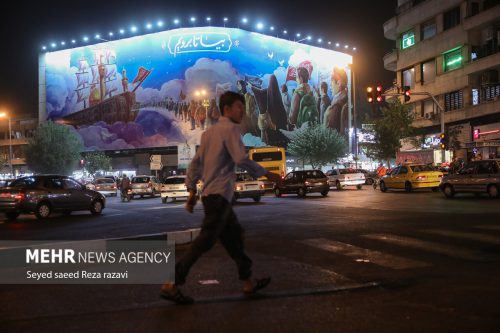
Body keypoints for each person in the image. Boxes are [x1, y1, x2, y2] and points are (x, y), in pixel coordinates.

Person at [160, 91, 282, 305]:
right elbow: (240, 158)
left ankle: (248, 282)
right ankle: (171, 283)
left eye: (242, 106)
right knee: (204, 241)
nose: (242, 110)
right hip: (219, 197)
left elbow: (195, 164)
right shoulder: (232, 129)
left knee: (235, 238)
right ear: (226, 109)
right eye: (238, 106)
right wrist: (267, 173)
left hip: (211, 196)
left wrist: (190, 191)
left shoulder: (208, 134)